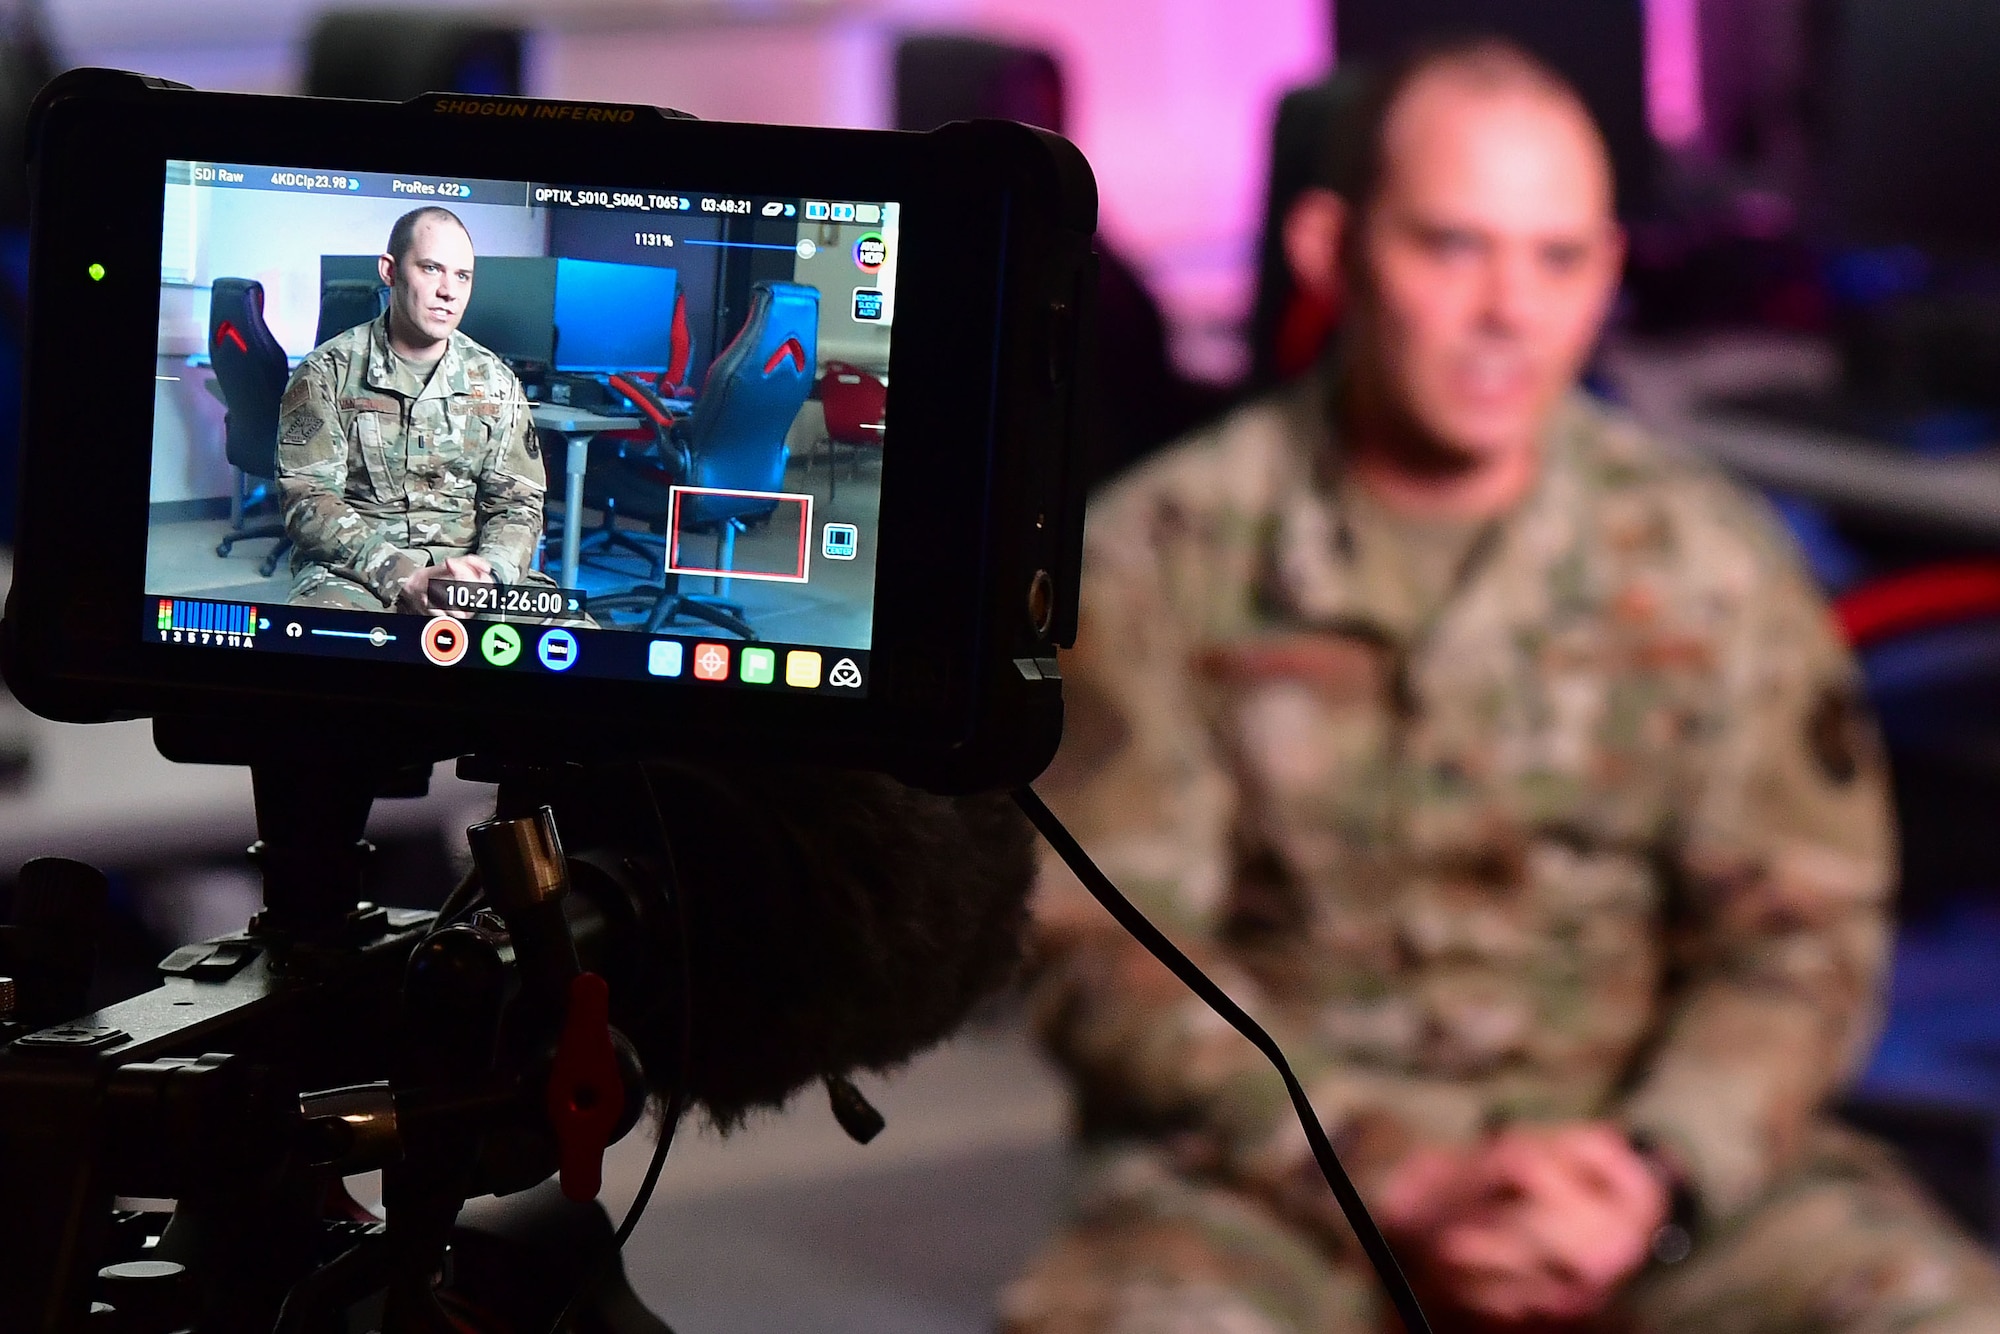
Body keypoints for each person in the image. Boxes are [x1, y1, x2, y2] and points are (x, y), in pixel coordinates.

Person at [1001, 37, 2000, 1334]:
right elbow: (1109, 958)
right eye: (1452, 246)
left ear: (1607, 276)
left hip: (1639, 1169)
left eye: (1558, 257)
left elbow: (1800, 936)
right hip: (1285, 1175)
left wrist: (1654, 1171)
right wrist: (1396, 1168)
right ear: (1329, 250)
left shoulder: (1709, 559)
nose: (1508, 311)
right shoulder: (1157, 557)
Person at [276, 205, 546, 613]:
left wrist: (489, 574)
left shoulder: (496, 381)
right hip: (359, 572)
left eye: (462, 276)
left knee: (576, 648)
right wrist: (403, 576)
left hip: (470, 572)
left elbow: (519, 504)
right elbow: (308, 500)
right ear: (390, 271)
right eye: (431, 268)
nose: (449, 291)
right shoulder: (325, 372)